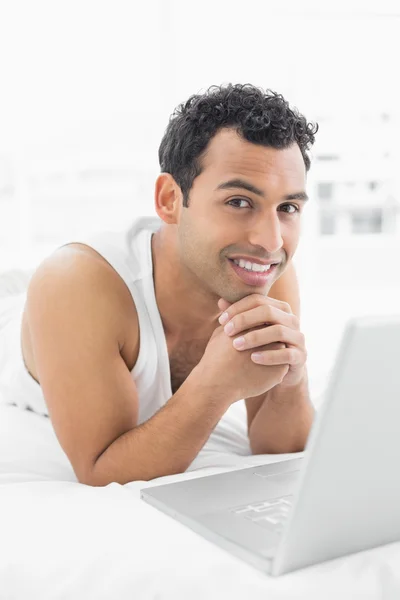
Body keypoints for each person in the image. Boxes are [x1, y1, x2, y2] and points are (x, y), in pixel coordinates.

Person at [10, 83, 318, 486]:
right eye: (239, 202)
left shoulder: (264, 269)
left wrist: (292, 381)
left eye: (288, 208)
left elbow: (277, 446)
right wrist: (214, 385)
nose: (271, 241)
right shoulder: (74, 284)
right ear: (170, 199)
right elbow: (101, 471)